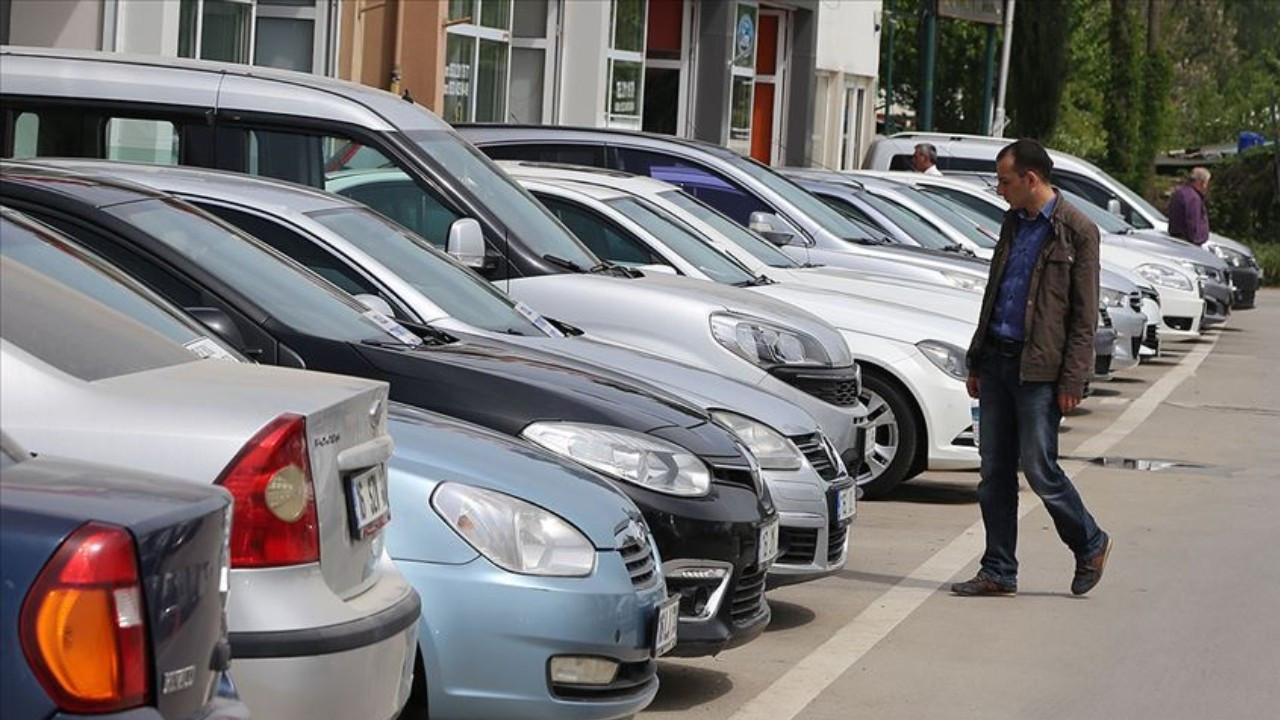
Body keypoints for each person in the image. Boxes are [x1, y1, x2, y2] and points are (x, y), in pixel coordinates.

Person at [953, 138, 1112, 598]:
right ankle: (999, 570)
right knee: (993, 472)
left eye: (1005, 181)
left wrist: (1073, 379)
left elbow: (1084, 315)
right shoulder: (1013, 222)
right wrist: (976, 358)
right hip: (998, 360)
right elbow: (995, 293)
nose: (999, 189)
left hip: (1040, 372)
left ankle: (1090, 541)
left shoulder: (1078, 231)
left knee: (1039, 467)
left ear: (1031, 179)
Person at [1167, 166, 1211, 246]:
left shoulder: (1179, 192)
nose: (1206, 187)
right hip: (1187, 244)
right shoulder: (1193, 198)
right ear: (1201, 183)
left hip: (1176, 240)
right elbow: (1193, 225)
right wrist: (1197, 241)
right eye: (1206, 183)